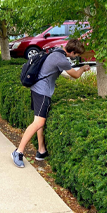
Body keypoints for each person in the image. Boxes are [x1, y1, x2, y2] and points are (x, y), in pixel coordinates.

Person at [11, 39, 91, 168]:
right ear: (72, 52)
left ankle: (41, 151)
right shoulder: (61, 59)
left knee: (38, 121)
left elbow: (61, 71)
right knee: (39, 122)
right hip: (42, 93)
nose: (76, 57)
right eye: (76, 54)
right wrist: (83, 68)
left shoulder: (56, 52)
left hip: (36, 89)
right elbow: (75, 75)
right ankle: (18, 151)